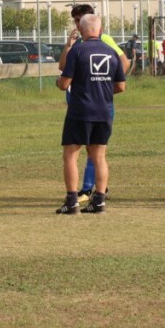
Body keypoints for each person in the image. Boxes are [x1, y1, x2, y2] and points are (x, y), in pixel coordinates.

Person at [55, 14, 126, 214]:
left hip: (80, 111)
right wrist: (100, 90)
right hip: (104, 111)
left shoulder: (77, 50)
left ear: (82, 30)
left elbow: (64, 84)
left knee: (71, 155)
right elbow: (121, 86)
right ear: (100, 29)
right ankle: (99, 201)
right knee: (99, 156)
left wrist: (61, 83)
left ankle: (72, 203)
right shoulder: (111, 52)